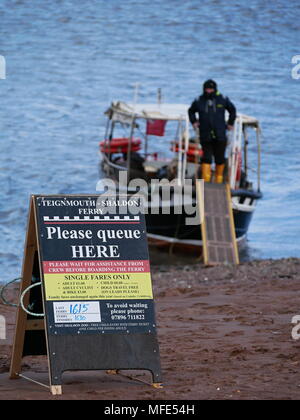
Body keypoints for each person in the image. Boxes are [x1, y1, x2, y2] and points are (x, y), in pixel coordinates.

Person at [188, 79, 236, 183]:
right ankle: (206, 180)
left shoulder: (222, 99)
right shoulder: (199, 100)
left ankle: (219, 179)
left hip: (220, 134)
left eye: (211, 89)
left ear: (215, 89)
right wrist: (194, 122)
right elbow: (191, 111)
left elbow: (232, 110)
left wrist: (230, 123)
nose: (209, 91)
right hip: (205, 134)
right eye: (207, 89)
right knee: (207, 158)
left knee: (220, 158)